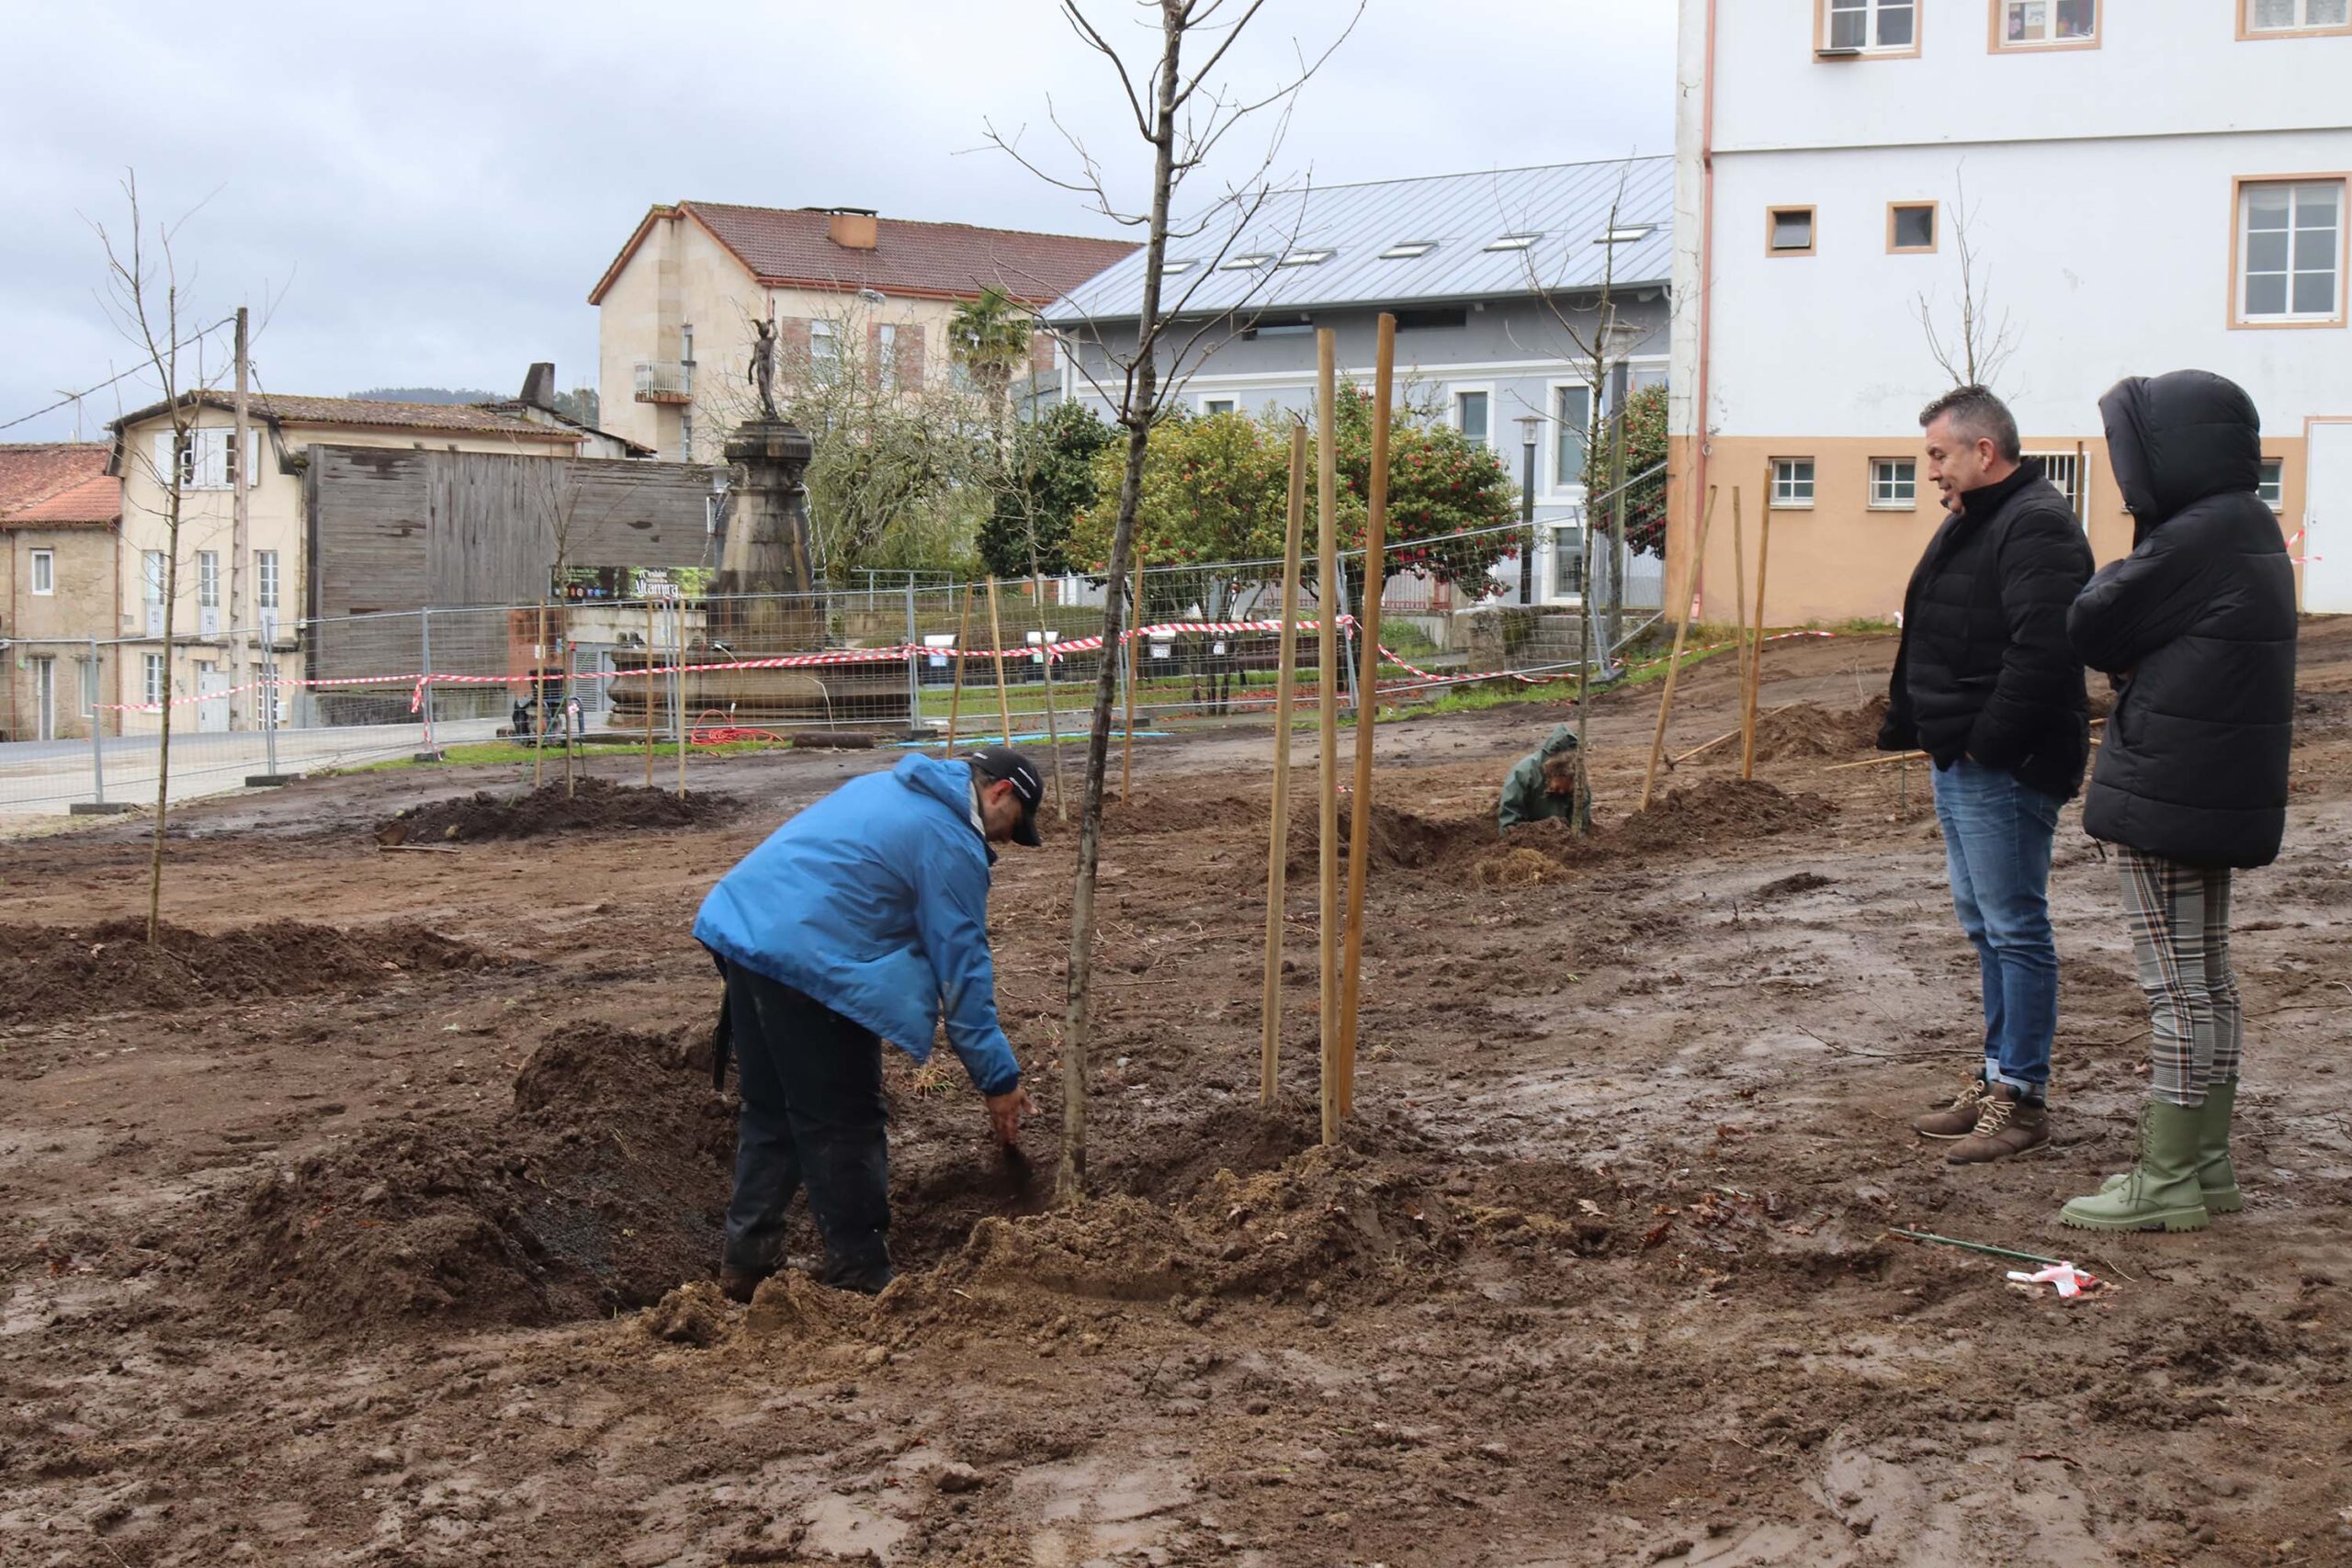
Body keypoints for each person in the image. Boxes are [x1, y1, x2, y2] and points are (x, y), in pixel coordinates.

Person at [2057, 371, 2297, 1234]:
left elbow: (2091, 621)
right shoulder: (2247, 522)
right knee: (2210, 981)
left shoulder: (2193, 537)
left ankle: (2164, 1179)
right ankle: (2206, 1164)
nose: (2127, 477)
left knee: (2178, 991)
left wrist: (2141, 547)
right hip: (2215, 787)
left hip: (2167, 786)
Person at [694, 746, 1045, 1299]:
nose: (1005, 841)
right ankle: (861, 1274)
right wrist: (998, 1081)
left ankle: (747, 1265)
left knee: (772, 1115)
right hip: (807, 962)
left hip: (744, 935)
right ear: (1000, 791)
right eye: (1014, 825)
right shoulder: (950, 841)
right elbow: (963, 969)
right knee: (846, 1117)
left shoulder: (889, 787)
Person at [1880, 385, 2095, 1163]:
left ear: (1983, 451)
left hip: (2003, 762)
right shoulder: (1981, 519)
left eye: (1939, 454)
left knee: (2015, 925)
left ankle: (2024, 1099)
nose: (1930, 469)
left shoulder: (2035, 524)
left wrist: (1986, 745)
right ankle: (1999, 1073)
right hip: (1963, 753)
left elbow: (2046, 651)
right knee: (1985, 924)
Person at [1497, 724, 1586, 835]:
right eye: (1558, 789)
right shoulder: (1524, 773)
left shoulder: (1580, 781)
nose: (1562, 792)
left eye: (1567, 791)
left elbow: (1582, 823)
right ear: (1551, 773)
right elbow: (1510, 817)